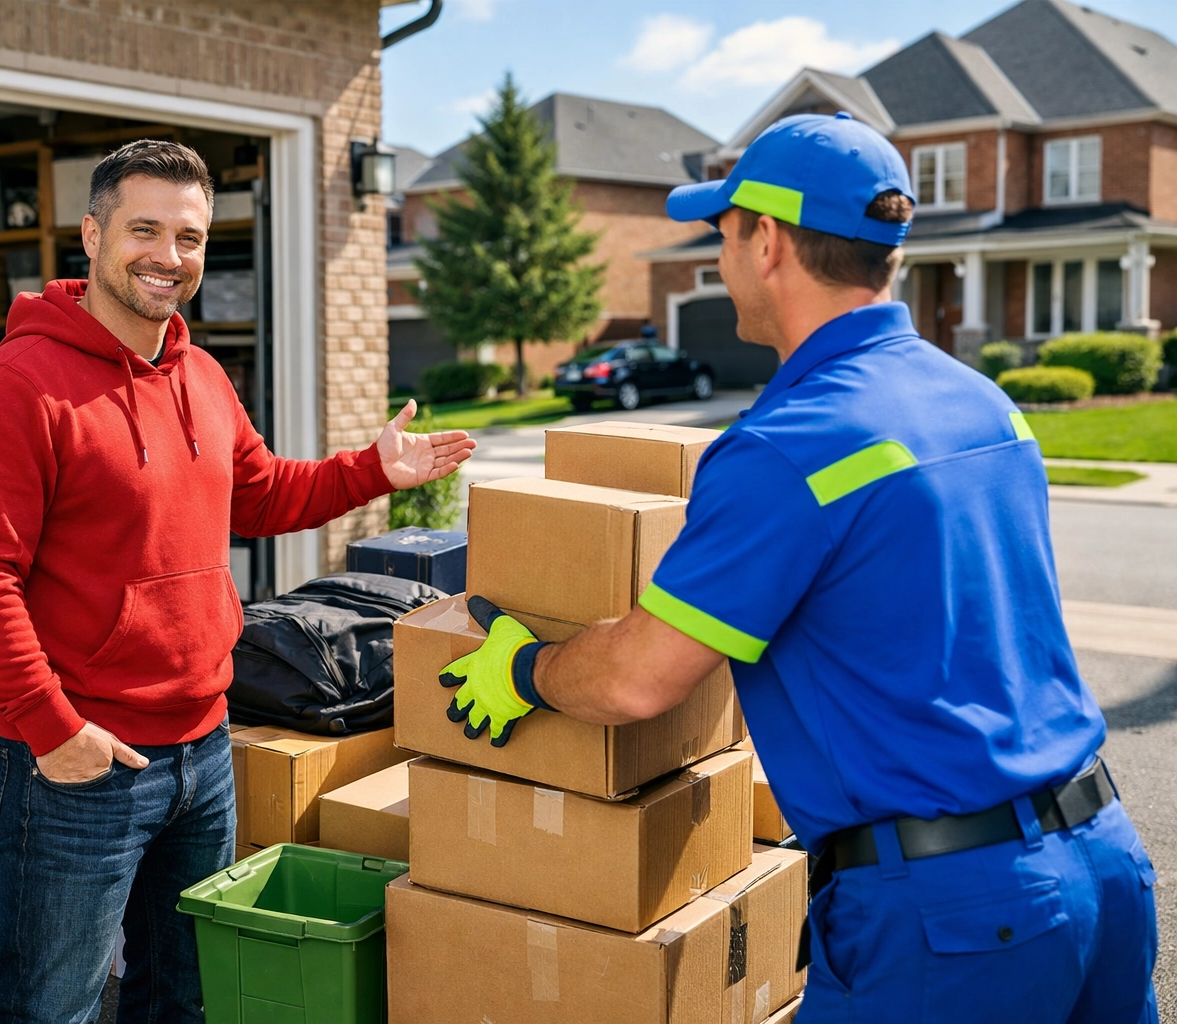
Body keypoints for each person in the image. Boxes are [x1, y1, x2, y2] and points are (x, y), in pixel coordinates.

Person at [439, 113, 1158, 1023]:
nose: (723, 257)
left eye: (725, 233)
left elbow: (636, 680)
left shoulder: (788, 447)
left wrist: (524, 669)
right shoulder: (983, 403)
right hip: (1102, 861)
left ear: (768, 240)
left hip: (955, 920)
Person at [0, 139, 474, 1024]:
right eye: (144, 229)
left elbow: (257, 495)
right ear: (92, 233)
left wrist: (371, 470)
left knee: (183, 999)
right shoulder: (17, 387)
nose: (168, 255)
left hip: (204, 746)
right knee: (51, 1009)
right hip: (81, 763)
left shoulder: (203, 375)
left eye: (189, 236)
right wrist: (50, 729)